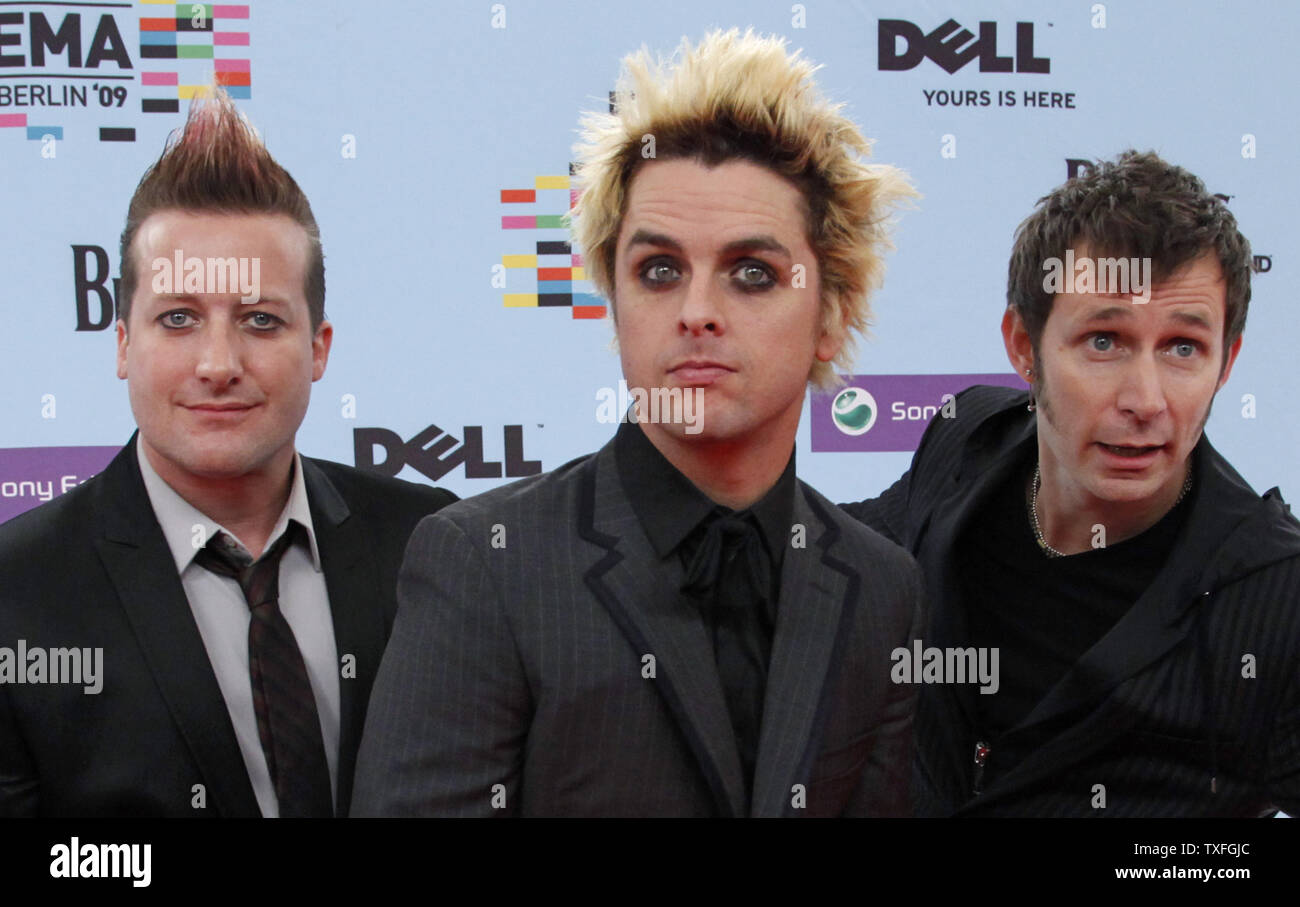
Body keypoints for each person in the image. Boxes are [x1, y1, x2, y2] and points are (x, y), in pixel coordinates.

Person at [353, 29, 923, 817]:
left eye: (751, 274)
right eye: (659, 270)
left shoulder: (881, 587)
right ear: (615, 304)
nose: (696, 314)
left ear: (833, 315)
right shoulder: (486, 566)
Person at [0, 89, 455, 817]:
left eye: (260, 320)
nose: (218, 362)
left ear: (318, 349)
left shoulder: (435, 547)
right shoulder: (17, 592)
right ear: (122, 343)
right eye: (178, 318)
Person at [843, 150, 1300, 816]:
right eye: (1105, 341)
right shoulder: (968, 439)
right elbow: (839, 550)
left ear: (1226, 361)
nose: (1145, 399)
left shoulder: (1275, 594)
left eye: (1182, 348)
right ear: (1024, 346)